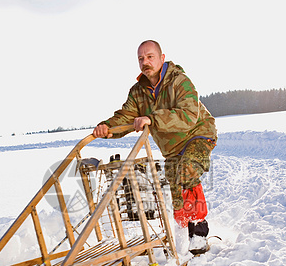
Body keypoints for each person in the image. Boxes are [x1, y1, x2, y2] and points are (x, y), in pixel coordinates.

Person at [93, 40, 217, 253]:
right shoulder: (138, 91)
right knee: (177, 190)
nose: (145, 62)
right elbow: (127, 116)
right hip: (172, 147)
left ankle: (198, 234)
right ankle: (181, 235)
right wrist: (107, 127)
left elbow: (188, 115)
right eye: (141, 58)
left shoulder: (179, 81)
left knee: (186, 171)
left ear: (162, 57)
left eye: (150, 57)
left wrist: (152, 118)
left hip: (197, 135)